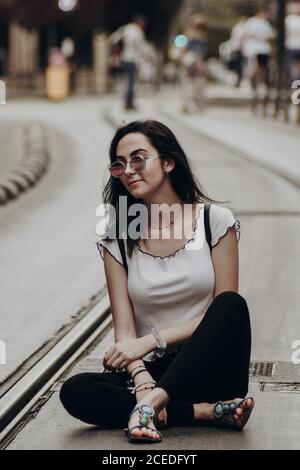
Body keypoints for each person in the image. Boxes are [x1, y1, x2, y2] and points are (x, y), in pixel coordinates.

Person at [60, 120, 255, 444]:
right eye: (120, 164)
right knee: (76, 391)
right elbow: (124, 332)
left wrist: (151, 341)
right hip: (154, 371)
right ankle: (203, 412)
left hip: (209, 367)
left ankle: (151, 407)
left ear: (168, 162)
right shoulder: (117, 237)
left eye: (138, 159)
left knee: (232, 305)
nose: (129, 170)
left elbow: (222, 316)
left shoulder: (214, 222)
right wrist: (141, 380)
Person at [110, 13, 147, 110]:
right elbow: (140, 47)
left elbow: (114, 38)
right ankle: (129, 102)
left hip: (125, 58)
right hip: (133, 59)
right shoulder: (137, 31)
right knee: (131, 82)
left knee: (126, 81)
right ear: (140, 22)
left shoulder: (126, 28)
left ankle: (127, 101)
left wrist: (117, 52)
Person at [180, 14, 207, 113]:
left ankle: (186, 105)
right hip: (193, 62)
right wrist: (200, 63)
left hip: (189, 61)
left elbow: (183, 49)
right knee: (195, 84)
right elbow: (198, 52)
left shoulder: (188, 34)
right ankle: (194, 105)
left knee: (189, 83)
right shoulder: (197, 36)